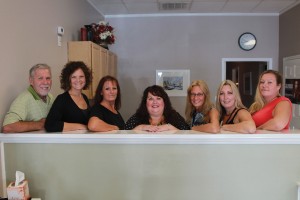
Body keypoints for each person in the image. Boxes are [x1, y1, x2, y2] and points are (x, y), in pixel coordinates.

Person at [2, 64, 54, 133]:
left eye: (48, 78)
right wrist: (39, 124)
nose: (45, 82)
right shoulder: (24, 99)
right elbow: (7, 127)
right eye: (40, 78)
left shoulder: (50, 97)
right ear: (31, 81)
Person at [45, 61, 92, 132]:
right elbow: (50, 125)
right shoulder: (62, 99)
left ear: (86, 78)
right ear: (68, 79)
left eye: (81, 76)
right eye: (74, 77)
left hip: (83, 140)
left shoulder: (84, 97)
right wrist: (80, 126)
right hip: (69, 142)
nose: (78, 80)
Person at [125, 85, 190, 132]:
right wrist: (141, 127)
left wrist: (169, 127)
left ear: (164, 102)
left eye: (158, 98)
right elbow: (123, 135)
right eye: (150, 99)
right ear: (145, 103)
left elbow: (188, 135)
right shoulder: (137, 117)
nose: (155, 102)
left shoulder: (175, 116)